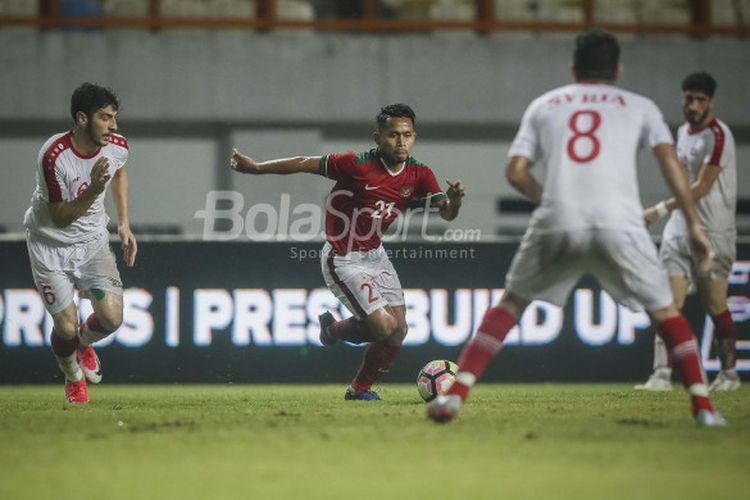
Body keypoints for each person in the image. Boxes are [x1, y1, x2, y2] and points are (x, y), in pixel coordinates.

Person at [427, 30, 726, 426]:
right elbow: (670, 164)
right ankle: (703, 408)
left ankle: (455, 397)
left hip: (558, 219)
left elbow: (516, 172)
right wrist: (692, 222)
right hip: (620, 223)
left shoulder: (545, 104)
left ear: (573, 68)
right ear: (618, 68)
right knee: (666, 311)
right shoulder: (641, 107)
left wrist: (553, 200)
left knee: (511, 304)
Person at [231, 104, 464, 400]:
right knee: (384, 327)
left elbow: (447, 214)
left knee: (399, 330)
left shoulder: (419, 173)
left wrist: (454, 202)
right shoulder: (355, 165)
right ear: (378, 138)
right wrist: (257, 168)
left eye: (407, 135)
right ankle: (332, 332)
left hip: (376, 254)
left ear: (414, 136)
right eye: (393, 135)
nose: (401, 142)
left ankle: (358, 390)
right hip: (342, 257)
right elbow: (304, 161)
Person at [23, 83, 137, 404]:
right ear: (82, 119)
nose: (113, 126)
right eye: (105, 117)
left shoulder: (116, 146)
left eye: (114, 117)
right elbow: (60, 216)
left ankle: (85, 344)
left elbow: (120, 173)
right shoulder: (54, 155)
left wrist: (124, 223)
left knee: (112, 319)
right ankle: (72, 374)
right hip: (50, 244)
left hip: (92, 242)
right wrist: (94, 188)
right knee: (66, 326)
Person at [635, 72, 739, 392]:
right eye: (688, 98)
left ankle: (729, 374)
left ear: (711, 102)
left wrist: (657, 210)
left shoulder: (719, 136)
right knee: (667, 302)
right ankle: (662, 375)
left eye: (700, 100)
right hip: (679, 231)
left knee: (715, 306)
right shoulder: (681, 132)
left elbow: (701, 187)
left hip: (713, 234)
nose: (693, 106)